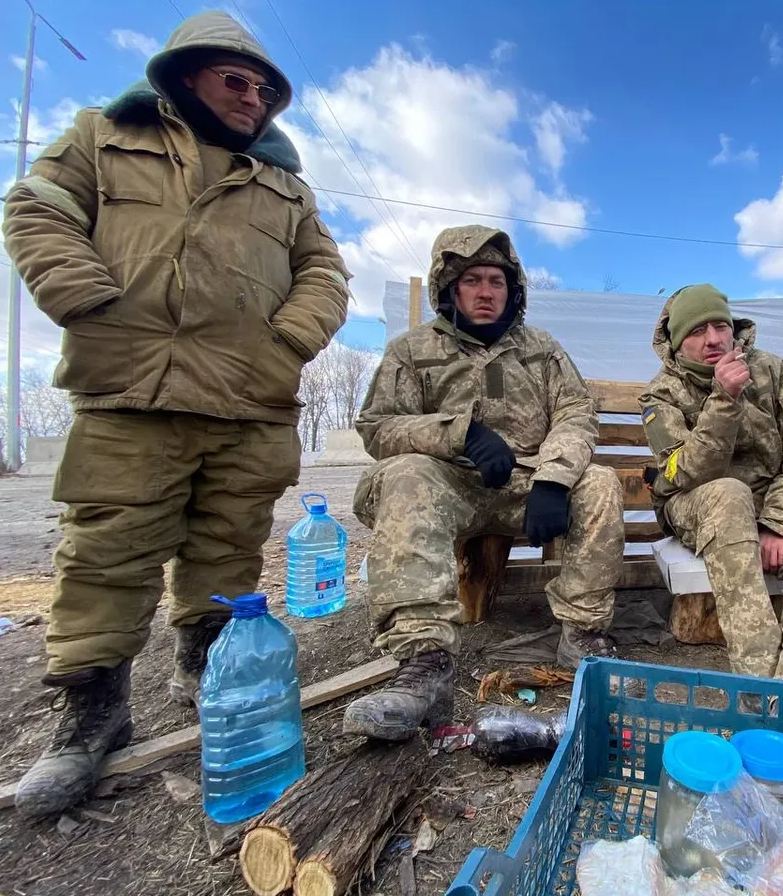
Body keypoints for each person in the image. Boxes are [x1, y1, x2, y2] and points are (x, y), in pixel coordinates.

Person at [1, 11, 350, 820]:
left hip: (247, 395)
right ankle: (91, 715)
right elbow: (36, 207)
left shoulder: (283, 186)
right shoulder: (102, 135)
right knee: (108, 550)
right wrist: (86, 298)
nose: (253, 95)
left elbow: (326, 274)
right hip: (133, 389)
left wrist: (286, 342)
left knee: (229, 546)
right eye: (236, 79)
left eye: (264, 87)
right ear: (184, 73)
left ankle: (205, 670)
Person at [341, 225, 623, 742]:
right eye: (473, 280)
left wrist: (554, 479)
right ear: (449, 287)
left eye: (496, 280)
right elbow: (377, 428)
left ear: (512, 289)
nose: (486, 291)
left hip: (528, 487)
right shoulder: (412, 351)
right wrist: (457, 434)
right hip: (450, 486)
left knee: (600, 481)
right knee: (404, 472)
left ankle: (583, 634)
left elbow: (577, 413)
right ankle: (425, 663)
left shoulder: (541, 349)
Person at [639, 284, 783, 780]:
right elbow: (682, 475)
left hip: (769, 512)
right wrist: (724, 399)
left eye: (721, 325)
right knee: (728, 494)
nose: (714, 338)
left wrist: (776, 522)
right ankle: (762, 696)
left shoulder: (771, 370)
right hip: (696, 505)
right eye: (698, 331)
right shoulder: (661, 394)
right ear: (677, 343)